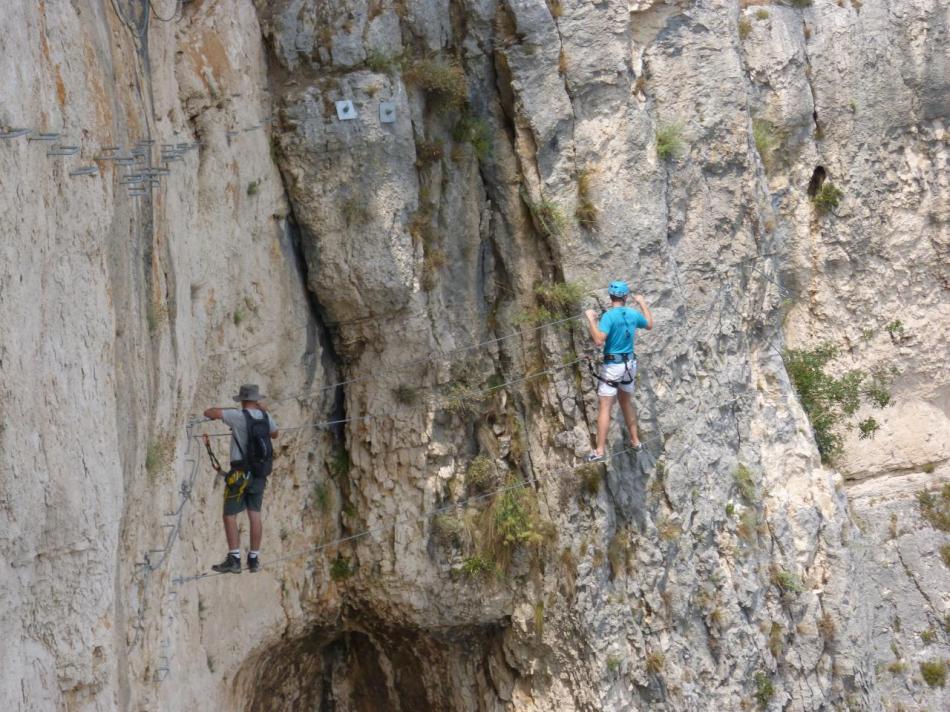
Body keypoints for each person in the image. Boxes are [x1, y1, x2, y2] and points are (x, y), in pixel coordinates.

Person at [203, 384, 278, 573]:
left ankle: (234, 558)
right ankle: (253, 559)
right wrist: (265, 411)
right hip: (260, 473)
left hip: (239, 474)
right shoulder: (265, 416)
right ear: (256, 399)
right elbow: (275, 434)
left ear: (242, 400)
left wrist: (227, 411)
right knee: (255, 515)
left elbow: (209, 412)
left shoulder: (237, 416)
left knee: (229, 515)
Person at [583, 281, 653, 462]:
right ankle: (635, 441)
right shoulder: (632, 314)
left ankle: (599, 451)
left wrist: (591, 319)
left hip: (613, 366)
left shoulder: (608, 316)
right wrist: (642, 303)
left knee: (605, 407)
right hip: (629, 364)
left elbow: (599, 340)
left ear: (610, 296)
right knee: (626, 402)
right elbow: (649, 325)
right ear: (625, 297)